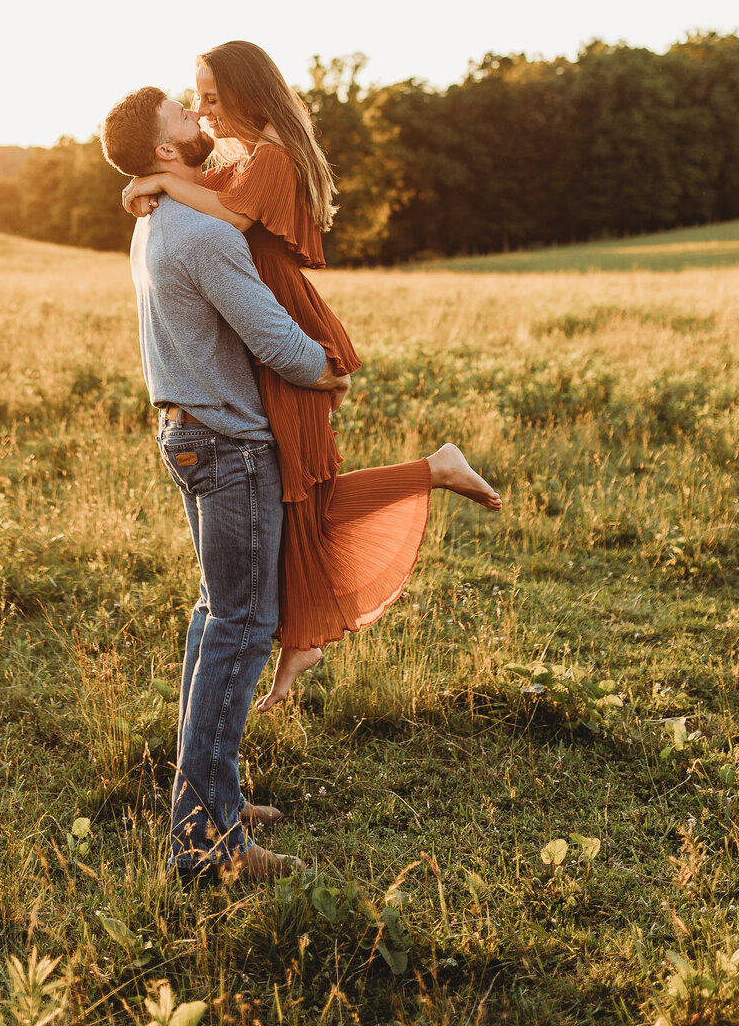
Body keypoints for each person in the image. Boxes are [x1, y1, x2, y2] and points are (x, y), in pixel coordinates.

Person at [121, 40, 501, 711]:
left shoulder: (271, 156)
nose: (204, 113)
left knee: (305, 488)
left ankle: (432, 474)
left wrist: (158, 181)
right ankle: (303, 635)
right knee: (301, 491)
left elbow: (232, 218)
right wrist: (154, 181)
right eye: (195, 101)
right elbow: (205, 198)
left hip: (284, 327)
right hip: (267, 328)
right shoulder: (239, 157)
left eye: (211, 99)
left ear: (244, 92)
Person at [100, 84, 350, 883]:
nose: (197, 117)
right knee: (240, 626)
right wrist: (327, 369)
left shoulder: (156, 220)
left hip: (188, 434)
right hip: (230, 445)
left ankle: (210, 800)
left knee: (218, 622)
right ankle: (207, 845)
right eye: (183, 115)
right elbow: (273, 337)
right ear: (166, 151)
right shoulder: (200, 233)